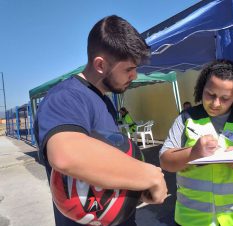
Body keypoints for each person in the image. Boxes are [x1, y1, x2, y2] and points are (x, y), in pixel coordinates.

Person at [34, 15, 168, 226]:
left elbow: (106, 165)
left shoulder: (104, 101)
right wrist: (148, 174)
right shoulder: (66, 97)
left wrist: (137, 189)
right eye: (129, 69)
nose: (134, 76)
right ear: (100, 64)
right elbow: (65, 155)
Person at [159, 59, 233, 226]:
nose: (215, 103)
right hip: (194, 218)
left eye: (225, 98)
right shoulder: (186, 119)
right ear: (201, 89)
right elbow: (165, 161)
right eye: (210, 94)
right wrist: (193, 153)